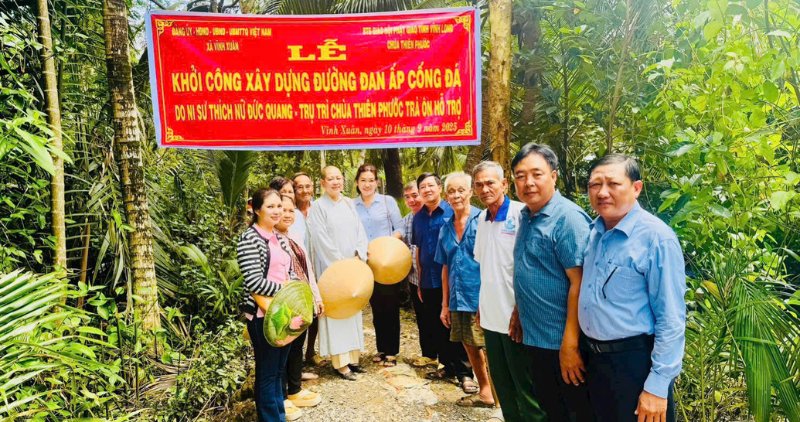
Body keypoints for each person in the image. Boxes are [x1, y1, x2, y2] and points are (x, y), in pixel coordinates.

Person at [580, 154, 686, 422]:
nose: (602, 192)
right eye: (595, 185)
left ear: (636, 188)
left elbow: (671, 318)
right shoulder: (594, 232)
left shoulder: (656, 239)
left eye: (613, 184)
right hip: (594, 363)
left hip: (635, 364)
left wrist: (657, 387)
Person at [510, 143, 595, 421]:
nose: (528, 182)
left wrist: (570, 345)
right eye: (520, 176)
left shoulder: (567, 219)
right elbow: (532, 269)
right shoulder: (527, 215)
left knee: (573, 412)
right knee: (551, 408)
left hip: (562, 343)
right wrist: (518, 312)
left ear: (554, 176)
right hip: (537, 338)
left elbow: (580, 283)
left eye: (537, 174)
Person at [472, 161, 546, 422]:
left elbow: (532, 269)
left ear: (504, 184)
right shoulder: (481, 218)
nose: (485, 189)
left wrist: (522, 310)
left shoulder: (521, 214)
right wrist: (481, 306)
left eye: (490, 182)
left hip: (517, 320)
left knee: (526, 390)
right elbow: (485, 267)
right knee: (503, 387)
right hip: (492, 318)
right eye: (479, 184)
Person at [237, 188, 296, 421]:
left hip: (285, 313)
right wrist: (285, 291)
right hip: (262, 315)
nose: (276, 211)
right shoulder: (249, 238)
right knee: (268, 372)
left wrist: (292, 290)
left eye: (279, 206)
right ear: (257, 209)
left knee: (278, 370)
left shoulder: (281, 238)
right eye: (270, 206)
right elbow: (253, 281)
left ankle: (278, 416)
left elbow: (288, 271)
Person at [434, 172, 493, 406]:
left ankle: (501, 401)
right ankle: (486, 392)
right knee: (469, 347)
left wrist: (488, 297)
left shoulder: (485, 221)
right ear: (446, 196)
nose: (456, 195)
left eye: (461, 190)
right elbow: (445, 267)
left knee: (490, 349)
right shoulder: (445, 228)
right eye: (451, 191)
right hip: (458, 297)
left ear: (470, 192)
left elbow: (494, 261)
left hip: (482, 296)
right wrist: (444, 304)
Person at [307, 166, 369, 381]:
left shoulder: (349, 203)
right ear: (323, 183)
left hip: (352, 266)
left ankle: (353, 358)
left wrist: (358, 255)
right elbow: (321, 240)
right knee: (337, 313)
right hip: (332, 270)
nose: (336, 182)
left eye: (339, 178)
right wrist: (341, 264)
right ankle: (340, 364)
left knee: (352, 310)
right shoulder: (318, 207)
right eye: (331, 179)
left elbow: (361, 231)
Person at [411, 172, 472, 387]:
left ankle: (465, 373)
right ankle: (447, 366)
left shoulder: (451, 211)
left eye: (430, 185)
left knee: (456, 326)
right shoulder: (417, 217)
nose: (427, 190)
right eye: (422, 187)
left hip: (452, 279)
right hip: (428, 281)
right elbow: (417, 249)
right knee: (436, 326)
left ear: (439, 188)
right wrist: (419, 279)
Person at [275, 195, 324, 420]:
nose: (287, 214)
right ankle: (282, 396)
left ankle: (294, 390)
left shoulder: (295, 238)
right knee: (282, 349)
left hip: (301, 301)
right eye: (282, 210)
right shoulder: (272, 240)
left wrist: (316, 298)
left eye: (290, 211)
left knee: (297, 347)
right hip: (283, 304)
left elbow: (308, 271)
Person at [352, 164, 404, 367]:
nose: (367, 184)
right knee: (376, 307)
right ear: (357, 183)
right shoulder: (351, 205)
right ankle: (381, 348)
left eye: (371, 180)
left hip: (387, 261)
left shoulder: (387, 202)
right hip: (366, 263)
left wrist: (387, 246)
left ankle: (391, 351)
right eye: (363, 180)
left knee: (390, 306)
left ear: (377, 182)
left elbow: (399, 228)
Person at [400, 181, 433, 368]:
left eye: (415, 195)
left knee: (439, 318)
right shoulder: (406, 220)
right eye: (408, 197)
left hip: (434, 277)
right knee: (422, 318)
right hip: (414, 278)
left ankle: (446, 359)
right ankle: (428, 354)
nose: (412, 200)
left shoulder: (430, 214)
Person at [292, 172, 322, 366]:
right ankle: (296, 355)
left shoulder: (318, 209)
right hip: (298, 269)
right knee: (299, 311)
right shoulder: (289, 212)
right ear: (294, 190)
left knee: (317, 309)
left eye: (307, 186)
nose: (304, 190)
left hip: (318, 265)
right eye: (299, 187)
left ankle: (311, 351)